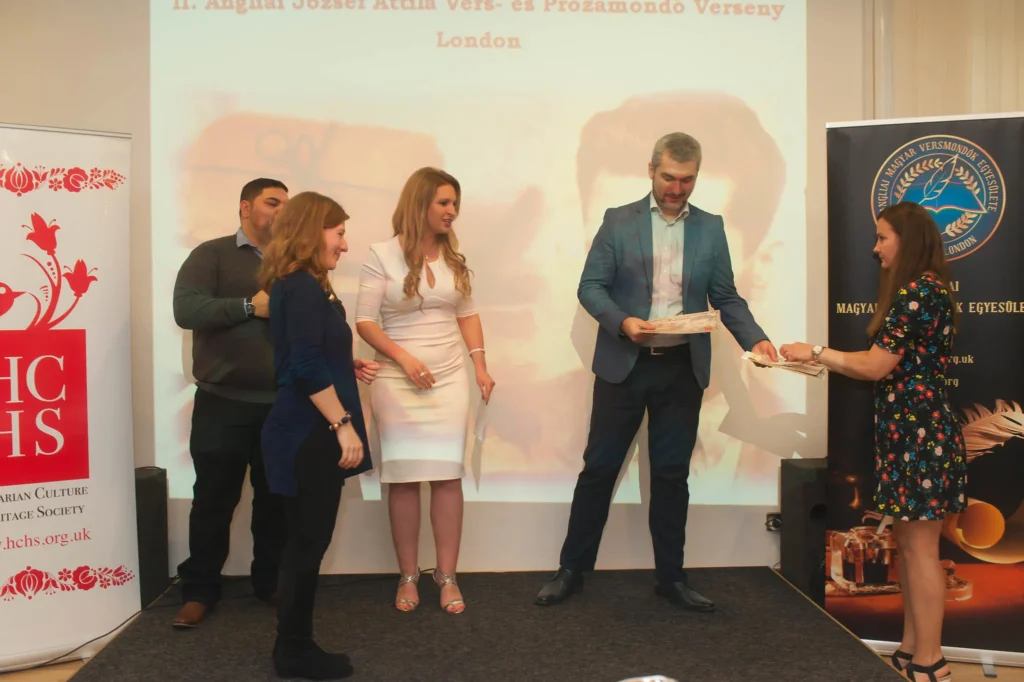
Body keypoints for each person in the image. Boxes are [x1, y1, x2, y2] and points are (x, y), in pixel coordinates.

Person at [534, 132, 778, 612]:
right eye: (668, 177)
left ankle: (671, 578)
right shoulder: (618, 221)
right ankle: (571, 570)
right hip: (624, 366)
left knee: (671, 476)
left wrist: (756, 339)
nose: (676, 188)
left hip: (681, 370)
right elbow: (591, 287)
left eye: (687, 180)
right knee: (599, 469)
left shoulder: (710, 228)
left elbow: (725, 296)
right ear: (651, 170)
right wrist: (623, 322)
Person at [780, 201, 965, 682]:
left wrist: (815, 352)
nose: (875, 248)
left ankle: (932, 662)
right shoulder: (926, 289)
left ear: (907, 239)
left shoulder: (918, 293)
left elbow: (875, 365)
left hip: (921, 440)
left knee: (921, 550)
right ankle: (911, 649)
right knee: (909, 546)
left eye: (883, 237)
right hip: (913, 438)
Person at [355, 167, 495, 614]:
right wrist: (403, 358)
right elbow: (365, 322)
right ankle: (408, 575)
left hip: (449, 379)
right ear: (420, 204)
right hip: (397, 379)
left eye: (455, 204)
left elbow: (467, 313)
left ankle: (447, 576)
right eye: (444, 202)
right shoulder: (381, 254)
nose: (452, 211)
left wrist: (480, 365)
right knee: (403, 479)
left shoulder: (454, 259)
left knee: (447, 476)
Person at [258, 191, 377, 680]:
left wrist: (344, 363)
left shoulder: (298, 285)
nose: (344, 245)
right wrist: (342, 424)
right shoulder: (303, 287)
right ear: (312, 230)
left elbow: (301, 354)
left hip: (301, 430)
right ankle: (293, 651)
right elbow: (305, 367)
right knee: (306, 547)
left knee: (303, 545)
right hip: (309, 434)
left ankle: (293, 646)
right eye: (339, 233)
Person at [171, 177, 290, 628]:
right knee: (213, 501)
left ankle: (270, 582)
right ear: (245, 207)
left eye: (286, 205)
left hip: (281, 405)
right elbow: (187, 310)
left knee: (275, 501)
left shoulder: (294, 262)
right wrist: (247, 306)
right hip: (222, 402)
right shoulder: (212, 254)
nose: (281, 211)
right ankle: (199, 591)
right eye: (272, 202)